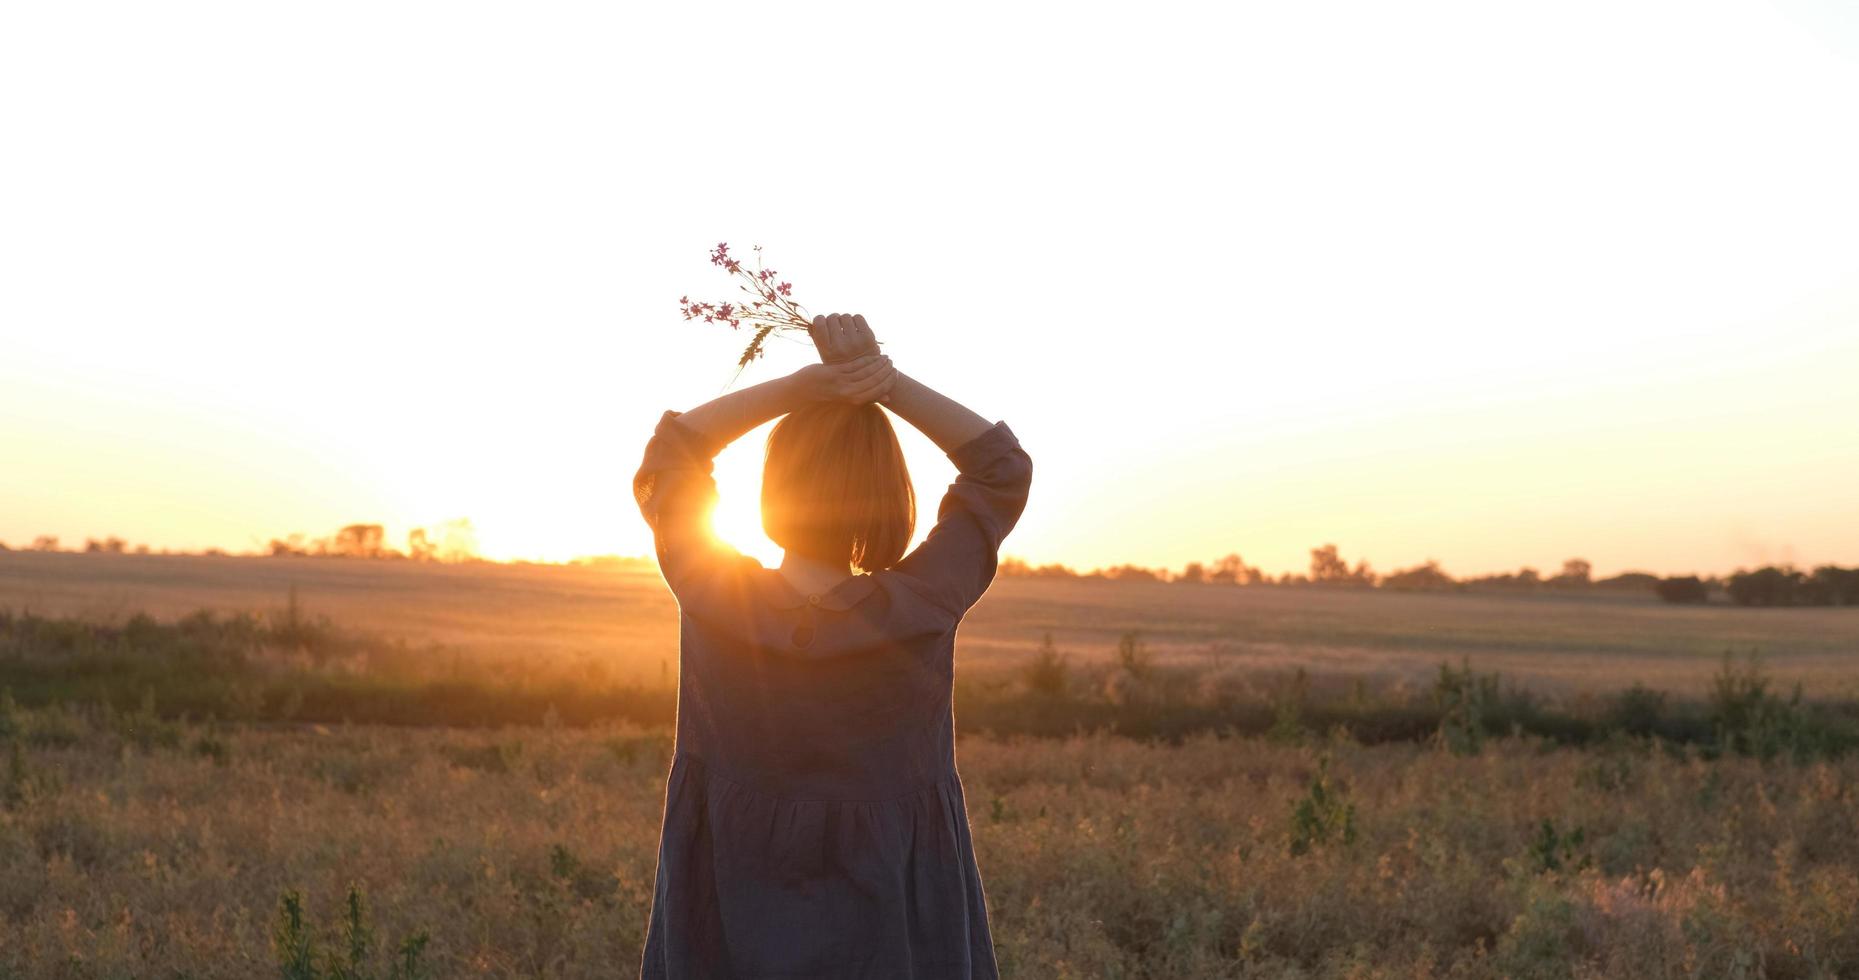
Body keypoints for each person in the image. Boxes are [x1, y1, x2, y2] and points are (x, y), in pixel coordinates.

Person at [632, 313, 1032, 979]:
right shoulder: (922, 603)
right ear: (890, 498)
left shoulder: (713, 593)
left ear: (774, 488)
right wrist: (885, 384)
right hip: (887, 920)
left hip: (732, 907)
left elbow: (673, 456)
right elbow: (998, 469)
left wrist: (798, 389)